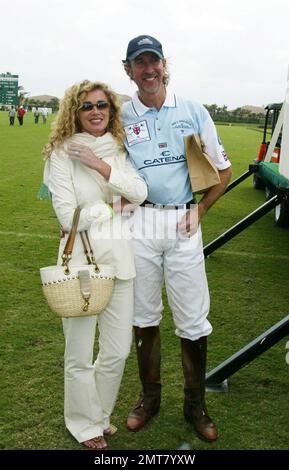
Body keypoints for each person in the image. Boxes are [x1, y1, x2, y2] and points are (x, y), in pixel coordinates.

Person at [121, 35, 232, 442]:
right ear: (128, 69)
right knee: (143, 316)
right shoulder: (119, 116)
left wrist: (200, 211)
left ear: (164, 65)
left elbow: (223, 173)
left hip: (184, 221)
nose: (148, 70)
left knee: (192, 320)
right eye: (139, 63)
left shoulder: (191, 110)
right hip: (140, 224)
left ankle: (195, 404)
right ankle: (149, 398)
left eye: (154, 62)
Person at [42, 79, 147, 449]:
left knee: (117, 350)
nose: (96, 111)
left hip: (120, 262)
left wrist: (101, 166)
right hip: (81, 266)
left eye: (102, 104)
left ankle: (99, 416)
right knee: (79, 352)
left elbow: (140, 191)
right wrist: (111, 208)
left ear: (111, 109)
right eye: (87, 106)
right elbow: (67, 215)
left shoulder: (118, 149)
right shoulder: (61, 152)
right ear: (75, 111)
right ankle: (81, 424)